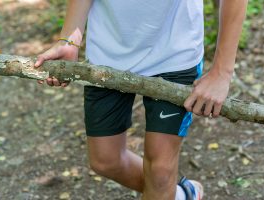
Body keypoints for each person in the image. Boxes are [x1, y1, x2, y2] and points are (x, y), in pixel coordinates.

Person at [34, 1, 248, 199]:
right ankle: (181, 194)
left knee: (160, 172)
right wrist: (70, 40)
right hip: (107, 52)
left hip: (175, 51)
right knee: (105, 161)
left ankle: (167, 190)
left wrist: (222, 72)